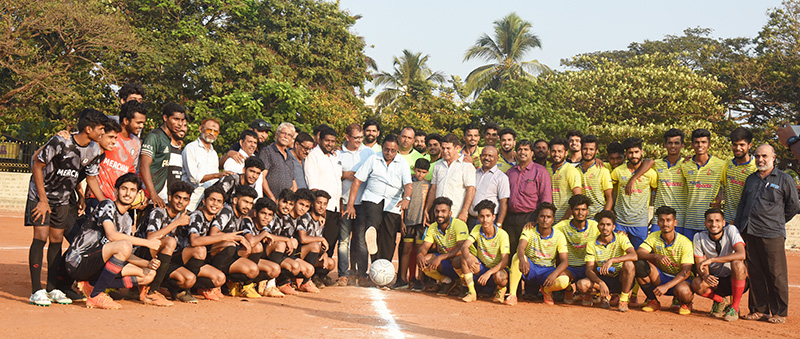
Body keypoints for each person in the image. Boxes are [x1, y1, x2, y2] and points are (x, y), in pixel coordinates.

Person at [26, 109, 108, 306]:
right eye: (101, 129)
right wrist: (43, 200)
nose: (103, 133)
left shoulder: (94, 150)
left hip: (63, 200)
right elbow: (37, 166)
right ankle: (36, 290)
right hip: (40, 196)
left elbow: (91, 178)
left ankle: (52, 288)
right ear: (88, 129)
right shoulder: (60, 142)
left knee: (56, 240)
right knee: (41, 238)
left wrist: (105, 202)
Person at [65, 174, 160, 309]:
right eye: (124, 189)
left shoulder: (127, 220)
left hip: (99, 264)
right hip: (79, 261)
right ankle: (96, 295)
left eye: (132, 190)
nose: (128, 193)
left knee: (149, 274)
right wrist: (147, 243)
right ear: (116, 191)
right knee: (125, 244)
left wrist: (148, 264)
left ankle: (91, 285)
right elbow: (111, 235)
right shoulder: (107, 205)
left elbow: (124, 252)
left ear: (138, 194)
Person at [735, 144, 800, 324]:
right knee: (755, 272)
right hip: (750, 232)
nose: (760, 159)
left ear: (773, 157)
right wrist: (741, 228)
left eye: (764, 156)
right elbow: (742, 205)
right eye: (757, 156)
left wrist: (776, 221)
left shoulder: (784, 179)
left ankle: (779, 312)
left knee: (776, 273)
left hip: (772, 233)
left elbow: (793, 206)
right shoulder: (751, 179)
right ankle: (759, 310)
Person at [344, 135, 412, 284]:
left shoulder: (403, 163)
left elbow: (408, 185)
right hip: (372, 198)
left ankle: (383, 272)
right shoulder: (374, 158)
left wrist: (406, 199)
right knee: (372, 228)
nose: (389, 152)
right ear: (382, 148)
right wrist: (350, 205)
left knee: (388, 239)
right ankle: (372, 232)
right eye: (386, 149)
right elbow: (357, 180)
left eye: (393, 150)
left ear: (398, 150)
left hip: (393, 204)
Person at [134, 181, 198, 304]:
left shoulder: (185, 216)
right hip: (140, 254)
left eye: (185, 199)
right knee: (170, 241)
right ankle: (153, 292)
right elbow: (150, 239)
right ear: (170, 197)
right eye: (178, 197)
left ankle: (158, 286)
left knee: (189, 279)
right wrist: (177, 223)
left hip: (162, 259)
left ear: (189, 202)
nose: (181, 202)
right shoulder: (158, 212)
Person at [505, 202, 571, 306]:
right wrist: (522, 259)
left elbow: (565, 261)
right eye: (542, 216)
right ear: (537, 218)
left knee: (564, 280)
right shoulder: (529, 230)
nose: (545, 220)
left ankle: (546, 290)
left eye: (548, 217)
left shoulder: (559, 236)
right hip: (530, 268)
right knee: (516, 257)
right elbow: (521, 246)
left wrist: (554, 274)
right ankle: (512, 295)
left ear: (553, 220)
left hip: (547, 271)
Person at [176, 186, 234, 301]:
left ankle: (197, 287)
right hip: (179, 257)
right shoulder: (196, 216)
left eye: (219, 202)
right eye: (212, 200)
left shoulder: (213, 219)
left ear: (222, 206)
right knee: (200, 249)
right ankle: (180, 289)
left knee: (220, 279)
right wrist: (224, 237)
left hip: (196, 261)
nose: (215, 204)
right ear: (204, 201)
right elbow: (194, 241)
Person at [635, 206, 695, 315]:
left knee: (683, 291)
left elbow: (686, 272)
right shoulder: (654, 236)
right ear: (657, 223)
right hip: (662, 276)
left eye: (668, 220)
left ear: (675, 222)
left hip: (680, 281)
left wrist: (667, 286)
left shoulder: (685, 242)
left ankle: (686, 303)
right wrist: (655, 256)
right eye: (662, 220)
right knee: (639, 265)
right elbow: (639, 253)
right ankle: (653, 300)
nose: (665, 224)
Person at [691, 208, 748, 322]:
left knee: (738, 264)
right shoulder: (699, 237)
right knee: (696, 283)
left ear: (723, 223)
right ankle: (721, 300)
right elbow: (700, 264)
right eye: (710, 221)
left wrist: (713, 260)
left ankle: (734, 308)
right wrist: (705, 275)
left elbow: (741, 254)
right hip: (715, 281)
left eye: (717, 220)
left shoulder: (731, 230)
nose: (714, 224)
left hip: (734, 278)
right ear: (705, 223)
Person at [577, 210, 637, 311]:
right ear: (598, 226)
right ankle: (604, 295)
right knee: (581, 285)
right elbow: (589, 270)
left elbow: (634, 255)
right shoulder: (591, 243)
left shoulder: (621, 238)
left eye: (608, 225)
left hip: (620, 278)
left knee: (629, 264)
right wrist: (600, 283)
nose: (605, 228)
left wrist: (613, 260)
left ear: (613, 227)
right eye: (602, 224)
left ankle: (623, 299)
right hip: (602, 278)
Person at [91, 101, 146, 211]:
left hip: (120, 202)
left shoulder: (136, 143)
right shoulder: (108, 135)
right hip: (97, 197)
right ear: (126, 120)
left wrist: (140, 193)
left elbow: (131, 171)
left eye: (143, 122)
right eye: (138, 122)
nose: (141, 126)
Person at [338, 124, 374, 286]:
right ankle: (343, 273)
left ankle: (362, 274)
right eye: (356, 138)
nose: (360, 140)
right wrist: (344, 175)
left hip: (362, 204)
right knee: (344, 240)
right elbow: (330, 175)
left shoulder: (368, 152)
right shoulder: (338, 153)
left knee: (361, 240)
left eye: (361, 137)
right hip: (344, 203)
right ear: (347, 137)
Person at [211, 186, 264, 298]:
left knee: (253, 266)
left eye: (250, 203)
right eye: (245, 201)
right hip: (212, 253)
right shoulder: (227, 211)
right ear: (235, 200)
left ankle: (235, 283)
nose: (248, 206)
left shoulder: (241, 216)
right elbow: (213, 234)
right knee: (229, 244)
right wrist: (236, 238)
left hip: (229, 255)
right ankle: (213, 285)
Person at [505, 139, 552, 255]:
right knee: (510, 252)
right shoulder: (510, 172)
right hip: (510, 218)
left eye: (526, 149)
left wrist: (536, 220)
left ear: (532, 153)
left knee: (527, 252)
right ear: (516, 153)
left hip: (530, 218)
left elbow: (546, 199)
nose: (522, 152)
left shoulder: (540, 172)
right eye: (520, 149)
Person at [459, 200, 510, 303]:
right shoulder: (477, 229)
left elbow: (505, 261)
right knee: (464, 258)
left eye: (488, 216)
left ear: (493, 217)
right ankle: (472, 293)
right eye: (482, 216)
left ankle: (501, 290)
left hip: (496, 272)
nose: (485, 220)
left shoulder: (502, 234)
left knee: (501, 276)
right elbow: (465, 246)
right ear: (478, 218)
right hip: (482, 268)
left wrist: (489, 273)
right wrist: (468, 259)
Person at [610, 137, 658, 248]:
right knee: (619, 253)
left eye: (636, 152)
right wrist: (611, 209)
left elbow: (657, 194)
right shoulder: (618, 171)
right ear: (626, 154)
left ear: (642, 152)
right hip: (620, 222)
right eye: (630, 153)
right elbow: (610, 191)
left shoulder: (651, 173)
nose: (634, 155)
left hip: (640, 223)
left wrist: (655, 214)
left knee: (640, 256)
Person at [304, 127, 343, 262]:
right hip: (322, 208)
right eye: (327, 140)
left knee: (331, 242)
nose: (330, 144)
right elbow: (312, 185)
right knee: (320, 243)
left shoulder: (335, 157)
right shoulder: (313, 156)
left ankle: (322, 274)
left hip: (335, 208)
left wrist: (340, 206)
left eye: (333, 141)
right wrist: (320, 211)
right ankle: (312, 275)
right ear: (320, 140)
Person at [417, 197, 470, 295]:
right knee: (424, 260)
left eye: (443, 211)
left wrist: (440, 257)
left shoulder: (459, 224)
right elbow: (424, 247)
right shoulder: (432, 227)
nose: (439, 214)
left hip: (464, 263)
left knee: (457, 260)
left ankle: (464, 285)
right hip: (447, 261)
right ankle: (447, 282)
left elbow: (461, 249)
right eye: (437, 211)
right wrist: (420, 255)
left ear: (450, 213)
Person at [681, 128, 726, 240]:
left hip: (710, 223)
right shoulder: (684, 165)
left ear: (709, 144)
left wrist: (720, 198)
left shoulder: (720, 165)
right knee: (690, 256)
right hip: (689, 221)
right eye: (696, 142)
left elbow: (729, 187)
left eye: (703, 142)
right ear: (692, 144)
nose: (700, 145)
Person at [553, 194, 599, 304]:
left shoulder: (595, 226)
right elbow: (546, 229)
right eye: (577, 209)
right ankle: (568, 289)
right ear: (572, 211)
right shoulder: (562, 226)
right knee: (560, 279)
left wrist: (621, 234)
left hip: (588, 268)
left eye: (583, 209)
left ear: (587, 211)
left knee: (583, 285)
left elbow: (610, 236)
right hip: (570, 268)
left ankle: (590, 293)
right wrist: (533, 224)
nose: (580, 213)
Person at [141, 102, 188, 208]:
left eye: (182, 120)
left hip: (161, 197)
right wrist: (153, 194)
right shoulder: (154, 137)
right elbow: (144, 166)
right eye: (176, 119)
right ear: (165, 117)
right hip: (148, 197)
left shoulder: (168, 139)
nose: (179, 124)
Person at [425, 133, 476, 225]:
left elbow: (471, 190)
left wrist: (464, 211)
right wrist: (427, 209)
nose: (445, 151)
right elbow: (433, 189)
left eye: (448, 148)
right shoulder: (438, 165)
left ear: (457, 148)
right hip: (438, 214)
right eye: (443, 148)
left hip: (456, 214)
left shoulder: (466, 166)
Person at [397, 158, 430, 290]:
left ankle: (419, 279)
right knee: (406, 249)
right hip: (409, 221)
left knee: (420, 251)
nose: (420, 174)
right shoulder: (407, 184)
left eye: (423, 172)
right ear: (414, 169)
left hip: (421, 223)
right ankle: (403, 279)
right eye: (418, 171)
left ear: (427, 172)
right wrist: (402, 221)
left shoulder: (428, 185)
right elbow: (402, 203)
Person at [183, 118, 230, 209]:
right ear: (201, 129)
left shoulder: (214, 154)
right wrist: (217, 175)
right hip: (190, 201)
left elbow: (213, 182)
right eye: (209, 130)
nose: (212, 133)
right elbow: (194, 178)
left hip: (207, 204)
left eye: (215, 132)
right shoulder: (191, 148)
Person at [296, 189, 337, 288]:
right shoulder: (305, 218)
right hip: (298, 254)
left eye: (324, 204)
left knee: (331, 263)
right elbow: (303, 239)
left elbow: (318, 245)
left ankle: (318, 277)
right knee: (314, 246)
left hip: (310, 254)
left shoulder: (320, 222)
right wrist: (321, 239)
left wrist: (325, 254)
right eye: (319, 203)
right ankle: (305, 280)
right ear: (313, 204)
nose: (322, 206)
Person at [650, 128, 688, 231]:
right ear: (665, 145)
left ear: (682, 145)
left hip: (679, 218)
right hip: (659, 218)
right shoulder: (656, 164)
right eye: (670, 143)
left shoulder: (687, 164)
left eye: (676, 143)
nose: (673, 146)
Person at [469, 146, 509, 228]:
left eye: (490, 156)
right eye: (484, 155)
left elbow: (503, 202)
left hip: (489, 221)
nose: (486, 158)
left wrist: (499, 223)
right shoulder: (474, 173)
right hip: (471, 219)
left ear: (497, 158)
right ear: (480, 157)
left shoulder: (501, 177)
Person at [722, 127, 756, 225]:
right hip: (728, 220)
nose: (738, 148)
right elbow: (722, 188)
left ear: (749, 145)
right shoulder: (727, 165)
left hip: (748, 221)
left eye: (742, 145)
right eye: (735, 145)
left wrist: (739, 219)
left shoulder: (755, 168)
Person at [259, 122, 297, 202]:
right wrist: (272, 198)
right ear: (277, 134)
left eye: (289, 135)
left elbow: (293, 183)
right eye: (283, 133)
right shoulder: (267, 151)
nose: (286, 137)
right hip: (269, 201)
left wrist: (288, 201)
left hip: (284, 204)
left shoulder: (290, 158)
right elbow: (261, 177)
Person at [578, 135, 613, 218]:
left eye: (591, 149)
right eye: (585, 149)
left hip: (597, 216)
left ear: (596, 151)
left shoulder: (602, 170)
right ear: (581, 149)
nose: (588, 152)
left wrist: (603, 217)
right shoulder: (575, 170)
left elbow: (609, 197)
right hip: (579, 217)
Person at [547, 137, 582, 220]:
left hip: (566, 220)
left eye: (560, 151)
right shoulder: (546, 169)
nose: (556, 154)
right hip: (549, 219)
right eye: (553, 151)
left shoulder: (571, 170)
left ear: (566, 153)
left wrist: (565, 218)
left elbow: (578, 197)